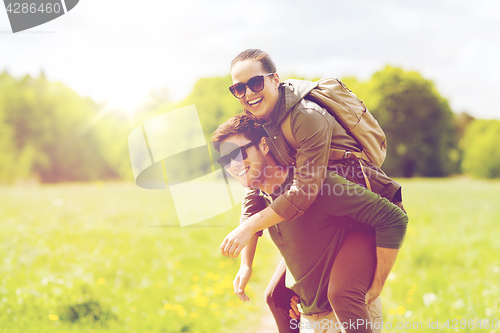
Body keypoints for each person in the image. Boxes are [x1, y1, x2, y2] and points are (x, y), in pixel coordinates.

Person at [223, 49, 405, 330]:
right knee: (276, 297)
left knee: (341, 293)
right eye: (238, 88)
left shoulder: (306, 116)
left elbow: (306, 190)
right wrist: (246, 263)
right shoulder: (261, 121)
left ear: (275, 79)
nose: (248, 93)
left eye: (255, 83)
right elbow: (255, 190)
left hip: (355, 203)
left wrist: (378, 283)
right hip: (321, 210)